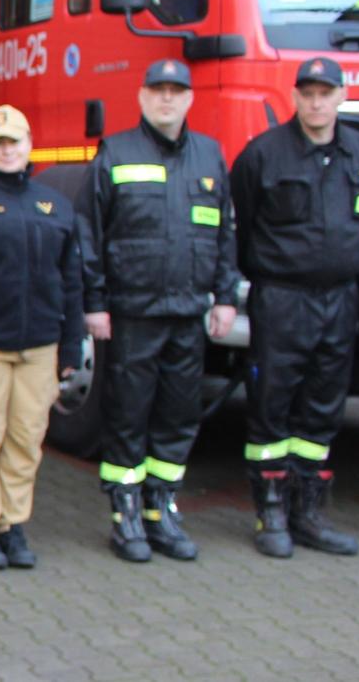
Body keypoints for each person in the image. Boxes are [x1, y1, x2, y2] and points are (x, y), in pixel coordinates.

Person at [79, 58, 240, 563]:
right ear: (143, 97)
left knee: (178, 415)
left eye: (177, 90)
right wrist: (95, 304)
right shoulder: (116, 152)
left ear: (190, 99)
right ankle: (124, 513)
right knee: (128, 414)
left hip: (189, 312)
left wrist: (227, 296)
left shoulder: (210, 156)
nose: (167, 99)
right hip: (132, 312)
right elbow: (91, 234)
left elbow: (224, 234)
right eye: (158, 90)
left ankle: (160, 509)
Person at [232, 56, 359, 558]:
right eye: (307, 93)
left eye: (325, 93)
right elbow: (243, 224)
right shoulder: (264, 154)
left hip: (340, 299)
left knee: (323, 408)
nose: (316, 102)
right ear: (294, 97)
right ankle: (270, 513)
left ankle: (308, 512)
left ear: (342, 96)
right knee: (272, 405)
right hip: (283, 298)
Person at [0, 104, 84, 571]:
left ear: (29, 145)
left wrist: (70, 346)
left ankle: (13, 522)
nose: (8, 150)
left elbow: (72, 282)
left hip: (40, 347)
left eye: (15, 142)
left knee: (27, 438)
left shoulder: (57, 206)